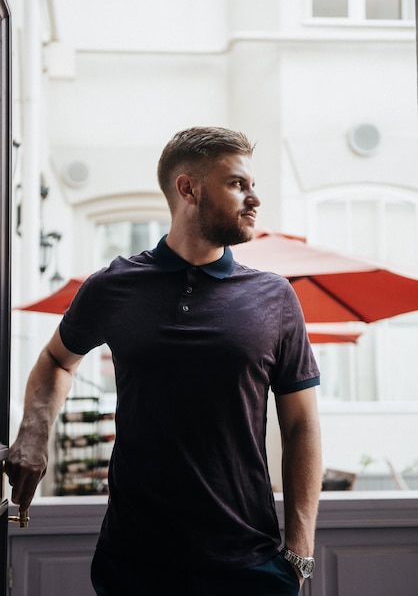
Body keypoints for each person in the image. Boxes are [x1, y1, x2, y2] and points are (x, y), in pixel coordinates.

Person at [6, 126, 322, 596]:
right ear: (188, 188)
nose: (254, 198)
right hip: (135, 563)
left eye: (253, 186)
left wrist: (298, 555)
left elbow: (301, 425)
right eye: (238, 184)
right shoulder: (113, 287)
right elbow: (57, 359)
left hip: (249, 564)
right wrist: (32, 435)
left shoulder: (274, 296)